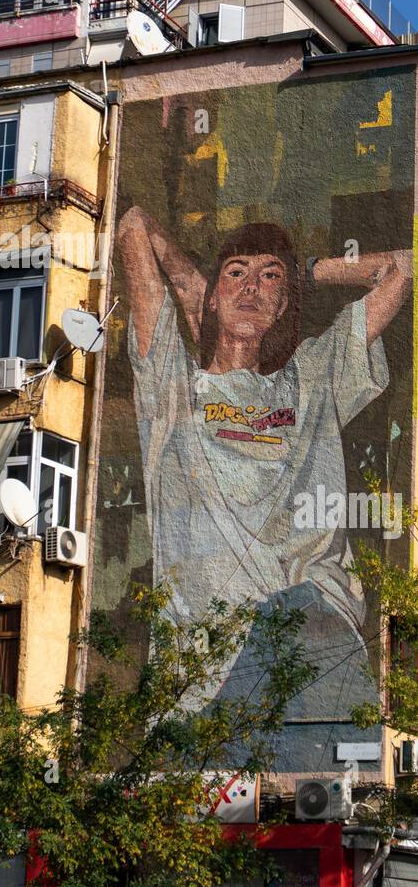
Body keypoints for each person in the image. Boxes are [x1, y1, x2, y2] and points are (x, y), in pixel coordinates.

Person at [117, 208, 412, 746]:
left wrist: (307, 272)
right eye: (237, 272)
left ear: (284, 303)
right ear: (212, 294)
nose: (251, 286)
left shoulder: (313, 378)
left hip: (312, 632)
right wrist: (194, 283)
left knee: (340, 815)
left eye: (270, 276)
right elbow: (134, 224)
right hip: (203, 679)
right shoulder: (173, 391)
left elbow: (403, 268)